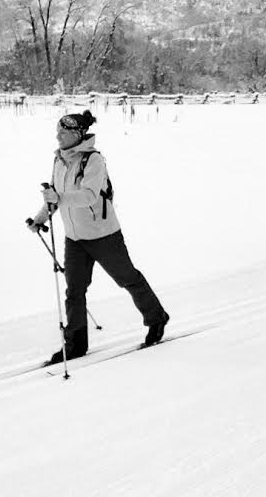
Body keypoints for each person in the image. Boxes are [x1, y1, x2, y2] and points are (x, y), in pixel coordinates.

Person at [27, 109, 169, 364]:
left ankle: (157, 319)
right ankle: (76, 345)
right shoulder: (58, 160)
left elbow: (89, 196)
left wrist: (59, 198)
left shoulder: (93, 161)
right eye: (58, 131)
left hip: (104, 235)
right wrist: (40, 218)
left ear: (78, 135)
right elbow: (55, 196)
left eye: (64, 132)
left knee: (128, 279)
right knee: (75, 291)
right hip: (74, 239)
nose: (58, 136)